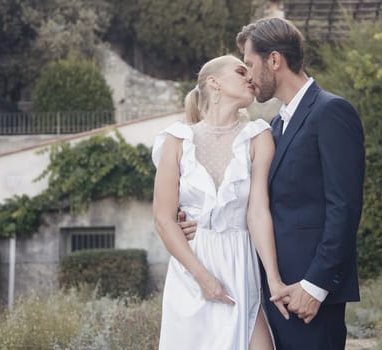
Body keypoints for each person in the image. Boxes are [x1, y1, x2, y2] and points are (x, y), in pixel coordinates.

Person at [236, 17, 365, 350]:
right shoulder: (275, 125)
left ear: (275, 60)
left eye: (250, 63)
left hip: (308, 299)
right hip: (273, 294)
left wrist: (316, 286)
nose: (247, 75)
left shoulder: (332, 111)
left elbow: (344, 208)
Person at [151, 54, 289, 350]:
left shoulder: (259, 136)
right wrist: (203, 278)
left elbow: (258, 213)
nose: (250, 77)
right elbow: (163, 219)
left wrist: (274, 279)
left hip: (240, 261)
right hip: (192, 267)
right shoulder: (176, 141)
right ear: (214, 83)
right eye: (240, 71)